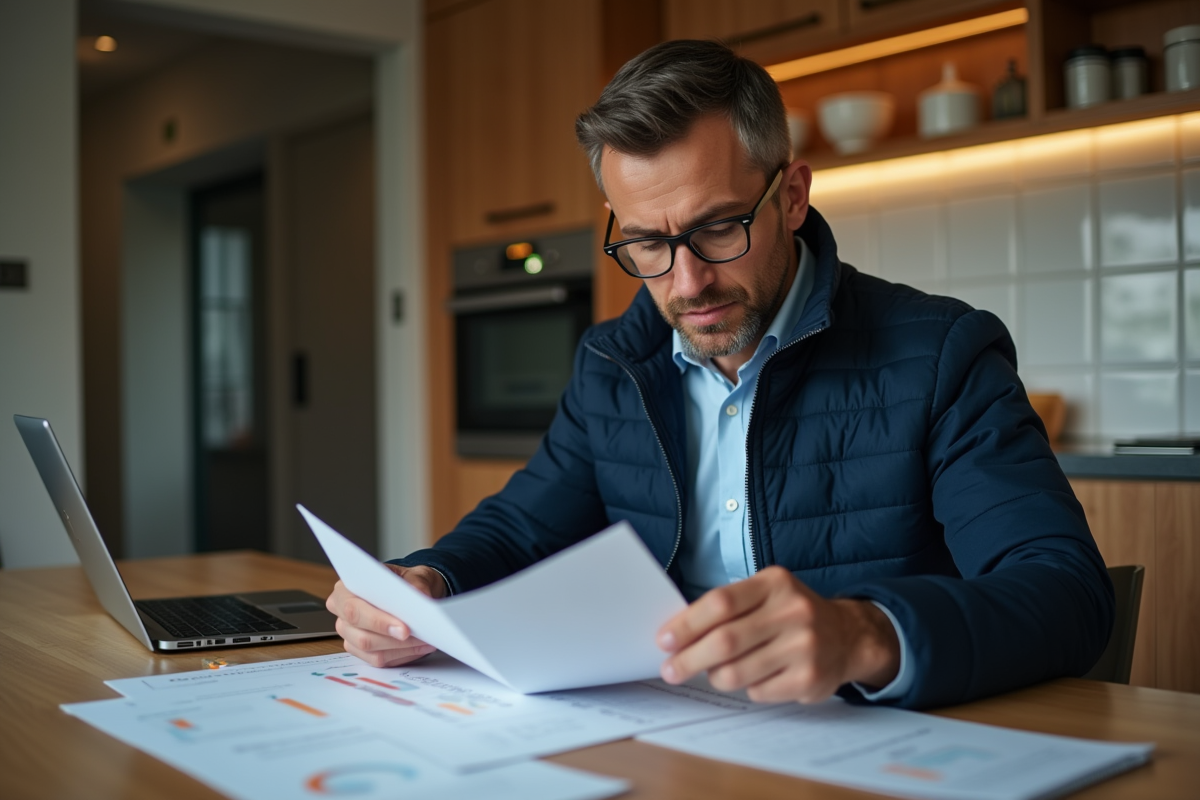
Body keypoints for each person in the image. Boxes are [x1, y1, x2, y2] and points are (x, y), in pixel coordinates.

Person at [326, 40, 1113, 710]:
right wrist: (422, 584)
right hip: (675, 739)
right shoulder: (614, 363)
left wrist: (867, 633)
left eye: (718, 228)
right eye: (646, 244)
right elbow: (520, 528)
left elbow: (1065, 594)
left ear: (792, 196)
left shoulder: (941, 354)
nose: (686, 282)